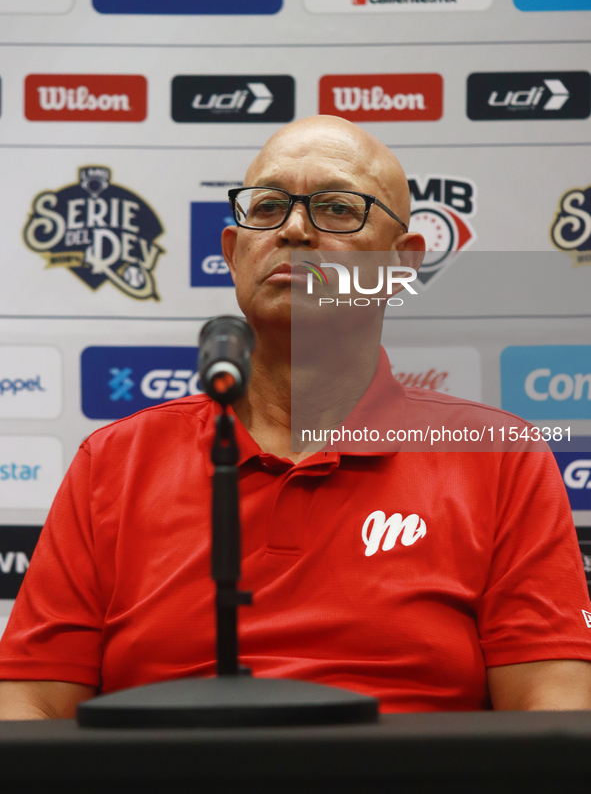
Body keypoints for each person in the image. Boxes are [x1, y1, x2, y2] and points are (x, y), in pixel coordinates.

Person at [1, 115, 591, 720]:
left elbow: (553, 710)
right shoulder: (116, 462)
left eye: (338, 208)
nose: (294, 229)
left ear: (404, 266)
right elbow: (29, 705)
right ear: (233, 253)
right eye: (269, 206)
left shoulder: (499, 457)